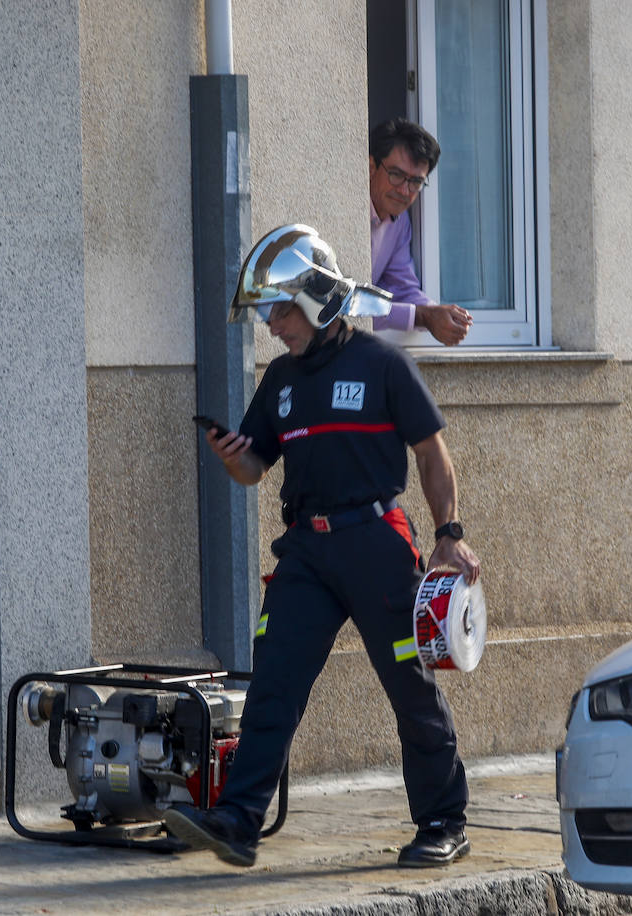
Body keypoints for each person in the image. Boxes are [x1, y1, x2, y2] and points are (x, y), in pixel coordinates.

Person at [164, 224, 481, 870]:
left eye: (279, 311)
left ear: (316, 298)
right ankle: (239, 821)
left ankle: (444, 821)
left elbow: (431, 453)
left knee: (410, 687)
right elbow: (256, 468)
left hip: (376, 546)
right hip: (306, 554)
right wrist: (234, 457)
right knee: (274, 683)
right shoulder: (280, 379)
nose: (273, 327)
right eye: (269, 314)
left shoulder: (384, 365)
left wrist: (450, 534)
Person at [368, 118, 473, 346]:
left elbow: (402, 288)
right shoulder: (346, 214)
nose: (405, 190)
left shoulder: (399, 221)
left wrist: (441, 314)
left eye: (416, 182)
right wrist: (423, 316)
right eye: (396, 175)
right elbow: (348, 303)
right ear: (371, 167)